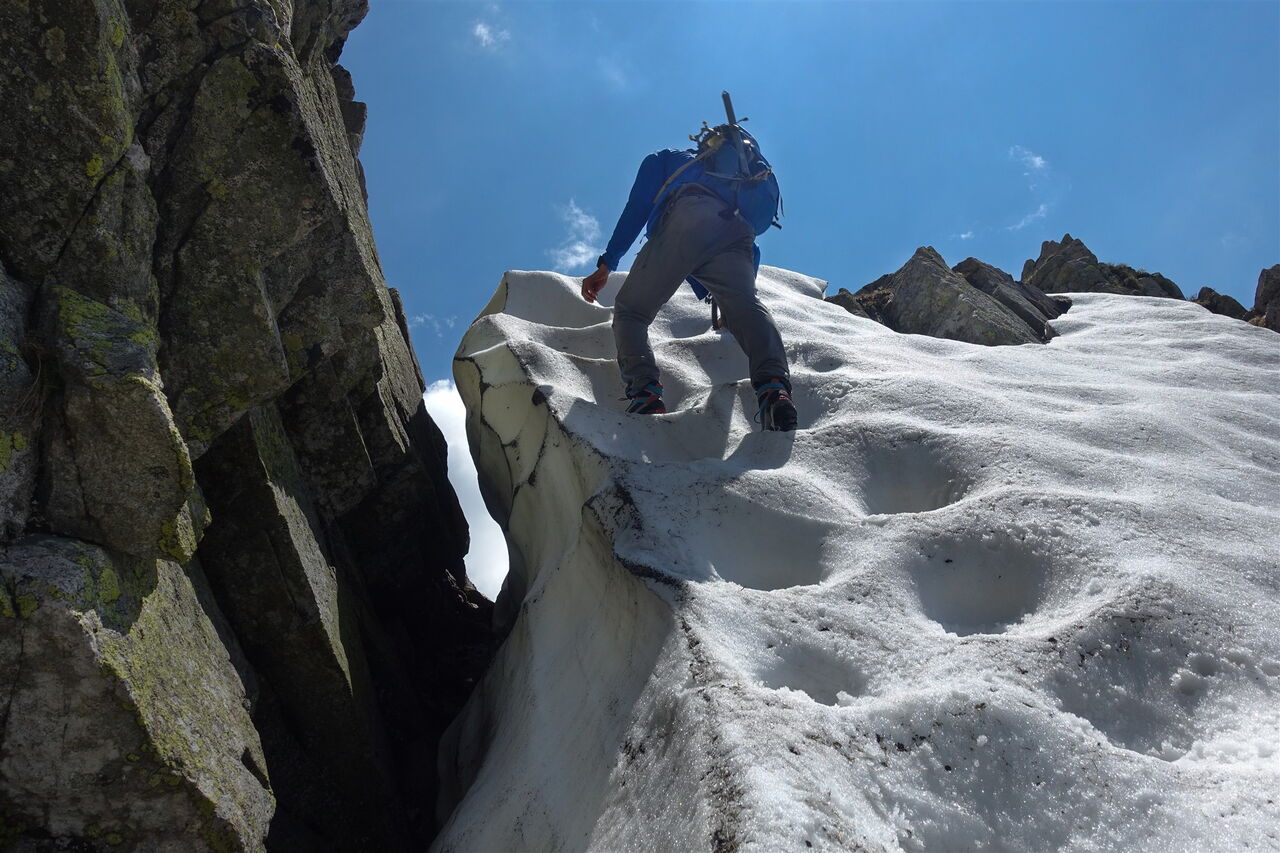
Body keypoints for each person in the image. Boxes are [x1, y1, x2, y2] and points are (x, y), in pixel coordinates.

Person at [580, 132, 798, 432]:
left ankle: (645, 394)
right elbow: (751, 255)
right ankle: (774, 388)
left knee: (632, 312)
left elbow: (639, 204)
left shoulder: (670, 159)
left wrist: (609, 261)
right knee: (749, 308)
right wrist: (730, 303)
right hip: (739, 233)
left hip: (689, 215)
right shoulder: (736, 184)